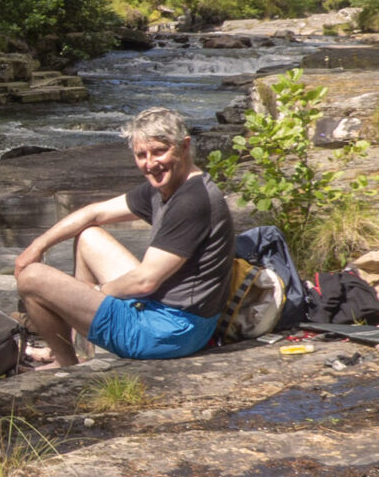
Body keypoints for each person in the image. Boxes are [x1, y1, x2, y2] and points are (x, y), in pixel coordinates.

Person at [15, 107, 233, 368]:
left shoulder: (192, 199)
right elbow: (94, 213)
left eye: (159, 151)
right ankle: (83, 351)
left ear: (184, 147)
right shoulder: (164, 187)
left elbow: (145, 281)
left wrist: (95, 293)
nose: (150, 164)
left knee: (31, 278)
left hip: (170, 332)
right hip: (164, 314)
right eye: (142, 155)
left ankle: (67, 365)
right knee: (89, 237)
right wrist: (37, 246)